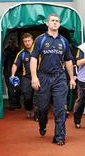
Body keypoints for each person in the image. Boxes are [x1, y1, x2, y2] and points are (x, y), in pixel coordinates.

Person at [30, 14, 76, 145]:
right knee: (43, 108)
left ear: (59, 24)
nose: (55, 23)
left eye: (57, 21)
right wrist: (34, 77)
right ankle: (42, 124)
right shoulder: (40, 39)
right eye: (53, 21)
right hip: (43, 77)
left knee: (60, 108)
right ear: (47, 23)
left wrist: (72, 78)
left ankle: (59, 136)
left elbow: (68, 60)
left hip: (59, 78)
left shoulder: (64, 41)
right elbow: (33, 58)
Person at [11, 33, 35, 119]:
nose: (27, 43)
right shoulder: (21, 53)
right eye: (25, 41)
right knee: (27, 96)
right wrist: (12, 76)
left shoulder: (38, 51)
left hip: (38, 77)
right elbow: (15, 65)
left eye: (29, 41)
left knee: (39, 96)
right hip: (26, 78)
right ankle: (29, 109)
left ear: (32, 41)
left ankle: (37, 113)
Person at [2, 38, 21, 111]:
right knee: (10, 90)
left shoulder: (18, 50)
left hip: (18, 73)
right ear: (9, 43)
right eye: (10, 42)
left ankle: (18, 103)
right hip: (8, 73)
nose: (12, 43)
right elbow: (3, 63)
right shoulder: (5, 51)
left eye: (13, 42)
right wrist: (2, 74)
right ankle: (12, 105)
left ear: (15, 42)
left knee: (18, 89)